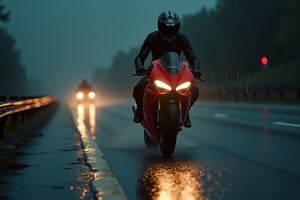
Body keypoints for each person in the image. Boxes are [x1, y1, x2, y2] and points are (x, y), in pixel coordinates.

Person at [132, 10, 202, 128]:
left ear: (177, 28)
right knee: (139, 88)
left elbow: (193, 57)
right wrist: (140, 67)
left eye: (172, 29)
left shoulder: (182, 39)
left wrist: (196, 69)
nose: (169, 34)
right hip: (155, 73)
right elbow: (140, 56)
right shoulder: (152, 37)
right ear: (160, 27)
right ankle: (140, 110)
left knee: (194, 90)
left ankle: (186, 112)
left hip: (177, 73)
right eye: (166, 29)